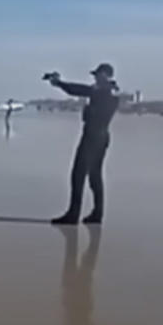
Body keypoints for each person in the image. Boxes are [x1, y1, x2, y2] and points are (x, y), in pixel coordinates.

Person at [44, 64, 119, 225]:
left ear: (106, 75)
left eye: (98, 75)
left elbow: (77, 89)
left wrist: (59, 82)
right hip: (101, 137)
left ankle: (73, 215)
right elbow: (80, 90)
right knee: (94, 176)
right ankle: (97, 214)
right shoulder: (108, 92)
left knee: (78, 175)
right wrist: (60, 83)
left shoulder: (103, 93)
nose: (95, 78)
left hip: (93, 137)